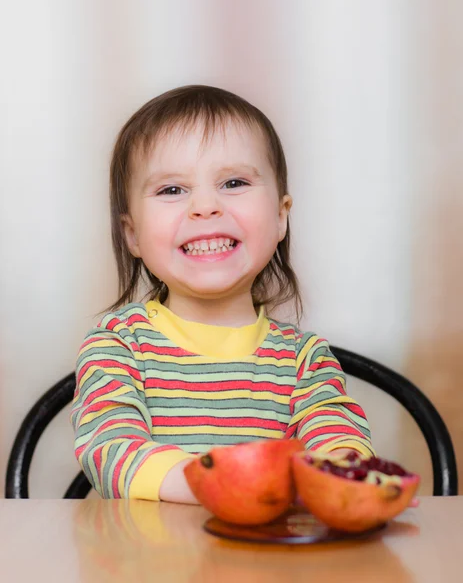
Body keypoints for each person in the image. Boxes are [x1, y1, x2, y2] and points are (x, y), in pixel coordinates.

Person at [71, 85, 374, 504]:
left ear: (281, 216)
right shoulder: (118, 346)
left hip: (270, 566)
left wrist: (341, 473)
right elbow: (110, 451)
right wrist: (220, 486)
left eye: (233, 182)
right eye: (172, 190)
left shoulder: (305, 360)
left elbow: (339, 441)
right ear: (132, 233)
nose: (205, 207)